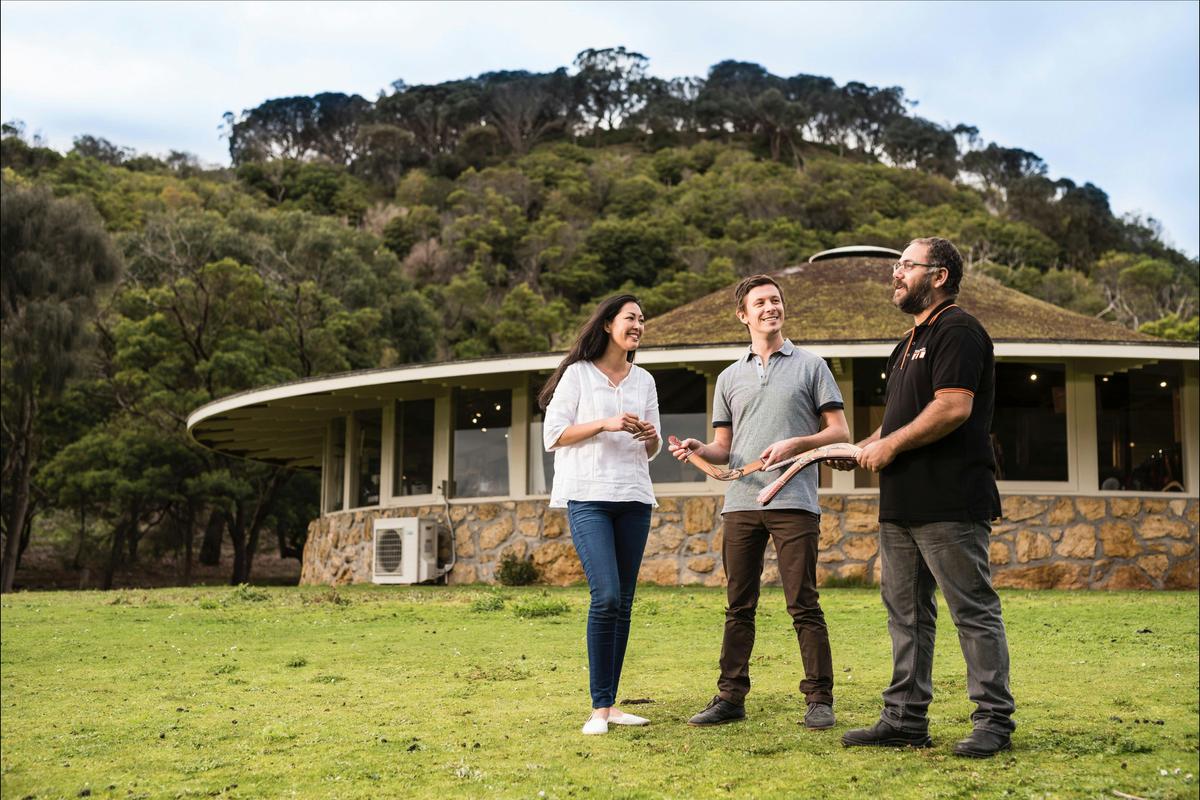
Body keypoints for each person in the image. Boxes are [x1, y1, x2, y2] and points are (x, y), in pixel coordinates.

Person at [835, 237, 1016, 758]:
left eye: (907, 266)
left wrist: (889, 444)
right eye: (897, 266)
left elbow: (954, 407)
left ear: (938, 276)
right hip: (901, 504)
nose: (896, 274)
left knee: (972, 610)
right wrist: (862, 447)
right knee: (906, 613)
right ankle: (904, 718)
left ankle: (994, 722)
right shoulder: (906, 343)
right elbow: (900, 421)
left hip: (950, 499)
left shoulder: (958, 329)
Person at [669, 274, 849, 730]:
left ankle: (819, 699)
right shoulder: (729, 377)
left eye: (776, 300)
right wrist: (697, 449)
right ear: (743, 315)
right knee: (738, 605)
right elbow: (724, 448)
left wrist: (796, 444)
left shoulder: (812, 366)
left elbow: (839, 433)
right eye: (760, 303)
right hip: (741, 503)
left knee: (803, 603)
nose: (770, 307)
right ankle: (730, 697)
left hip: (795, 500)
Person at [540, 294, 662, 735]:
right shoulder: (577, 375)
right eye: (631, 318)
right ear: (609, 324)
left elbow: (652, 448)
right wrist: (606, 423)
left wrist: (649, 436)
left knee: (624, 604)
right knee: (606, 595)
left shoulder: (644, 380)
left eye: (642, 320)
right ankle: (598, 708)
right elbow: (553, 435)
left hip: (633, 496)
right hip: (587, 497)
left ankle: (612, 707)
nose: (639, 325)